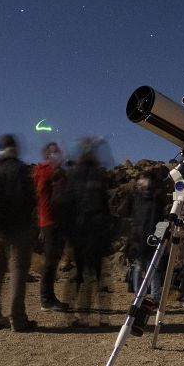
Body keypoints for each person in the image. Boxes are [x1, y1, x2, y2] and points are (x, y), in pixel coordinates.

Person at [0, 134, 38, 332]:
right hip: (19, 229)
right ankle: (18, 319)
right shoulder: (21, 169)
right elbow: (30, 198)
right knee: (17, 273)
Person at [62, 138, 112, 325]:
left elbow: (67, 206)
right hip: (93, 233)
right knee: (97, 276)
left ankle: (81, 316)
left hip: (82, 234)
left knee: (82, 276)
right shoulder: (97, 176)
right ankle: (102, 316)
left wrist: (68, 235)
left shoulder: (76, 176)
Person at [32, 142, 70, 312]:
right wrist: (52, 173)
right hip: (49, 221)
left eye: (57, 152)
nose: (55, 155)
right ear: (46, 154)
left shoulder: (59, 171)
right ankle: (46, 300)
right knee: (50, 261)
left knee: (54, 260)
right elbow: (40, 189)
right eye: (52, 152)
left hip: (60, 221)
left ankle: (50, 297)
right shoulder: (42, 170)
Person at [125, 170, 166, 303]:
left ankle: (154, 297)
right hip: (139, 238)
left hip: (150, 239)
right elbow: (134, 219)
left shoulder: (156, 200)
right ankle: (139, 296)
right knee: (140, 268)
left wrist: (159, 236)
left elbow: (160, 220)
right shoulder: (138, 199)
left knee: (151, 268)